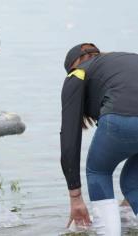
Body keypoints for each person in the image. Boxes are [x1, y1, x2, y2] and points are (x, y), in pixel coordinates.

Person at [60, 43, 138, 235]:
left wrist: (76, 197)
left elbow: (69, 139)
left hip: (122, 117)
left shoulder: (76, 74)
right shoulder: (126, 58)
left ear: (74, 65)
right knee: (131, 181)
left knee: (98, 172)